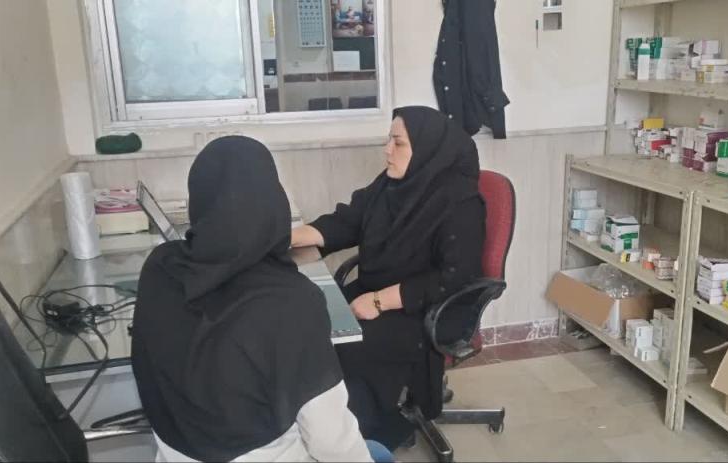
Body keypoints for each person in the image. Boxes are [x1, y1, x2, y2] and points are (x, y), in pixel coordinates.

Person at [131, 136, 383, 462]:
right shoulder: (291, 303)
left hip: (173, 456)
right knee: (377, 452)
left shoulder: (160, 268)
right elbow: (331, 442)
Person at [291, 106, 486, 449]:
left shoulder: (461, 201)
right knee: (316, 318)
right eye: (389, 140)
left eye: (398, 142)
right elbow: (347, 221)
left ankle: (377, 430)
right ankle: (330, 422)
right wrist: (284, 236)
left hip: (432, 307)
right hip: (380, 291)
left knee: (351, 343)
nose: (387, 150)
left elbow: (455, 277)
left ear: (426, 149)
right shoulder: (390, 185)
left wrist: (380, 301)